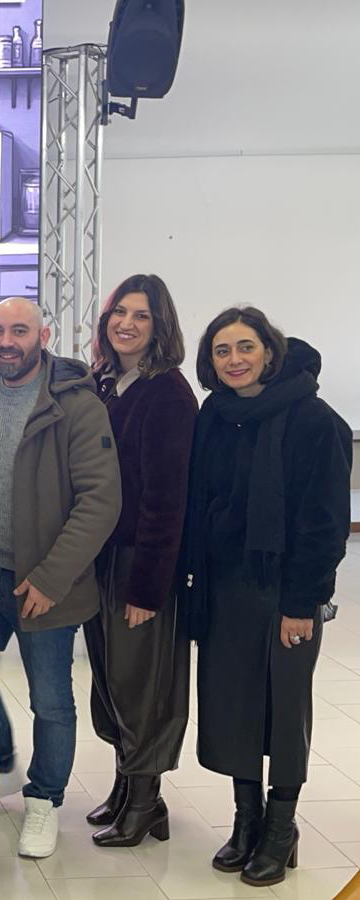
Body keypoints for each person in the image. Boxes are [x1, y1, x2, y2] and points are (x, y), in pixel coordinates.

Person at [181, 306, 350, 888]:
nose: (235, 360)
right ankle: (246, 821)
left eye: (246, 347)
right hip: (226, 588)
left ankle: (281, 829)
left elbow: (325, 524)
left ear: (270, 351)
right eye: (222, 350)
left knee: (283, 707)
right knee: (234, 706)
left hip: (286, 592)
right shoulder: (214, 414)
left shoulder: (313, 420)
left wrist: (301, 604)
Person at [0, 297, 121, 859]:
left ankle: (44, 800)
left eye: (19, 331)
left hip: (44, 581)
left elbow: (100, 500)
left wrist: (51, 578)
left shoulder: (75, 401)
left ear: (43, 336)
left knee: (50, 700)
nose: (6, 341)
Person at [82, 275, 196, 848]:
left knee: (142, 684)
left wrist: (148, 590)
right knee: (112, 680)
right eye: (119, 312)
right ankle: (128, 787)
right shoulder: (105, 383)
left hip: (140, 564)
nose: (125, 323)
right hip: (101, 557)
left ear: (160, 326)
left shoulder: (167, 393)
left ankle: (146, 801)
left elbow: (166, 501)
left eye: (141, 315)